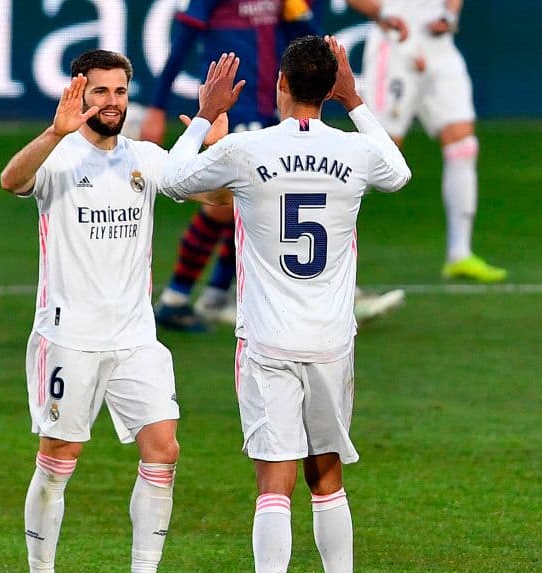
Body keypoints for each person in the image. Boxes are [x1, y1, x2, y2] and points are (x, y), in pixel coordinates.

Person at [160, 38, 411, 573]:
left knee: (274, 484)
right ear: (329, 89)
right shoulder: (355, 153)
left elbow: (171, 181)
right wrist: (355, 101)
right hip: (330, 341)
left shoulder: (247, 151)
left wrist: (205, 114)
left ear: (278, 85)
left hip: (267, 341)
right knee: (327, 477)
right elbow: (399, 171)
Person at [0, 49, 223, 573]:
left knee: (164, 449)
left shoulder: (144, 158)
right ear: (78, 93)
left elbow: (218, 201)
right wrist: (54, 131)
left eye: (120, 91)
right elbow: (11, 181)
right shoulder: (57, 156)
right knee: (59, 458)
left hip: (135, 337)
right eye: (99, 91)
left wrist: (216, 144)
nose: (111, 102)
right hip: (69, 337)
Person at [143, 0, 403, 331]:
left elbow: (310, 50)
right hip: (235, 106)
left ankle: (213, 294)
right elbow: (181, 43)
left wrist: (299, 12)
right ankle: (180, 297)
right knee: (228, 204)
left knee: (255, 198)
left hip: (270, 107)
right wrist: (157, 107)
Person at [349, 0, 507, 282]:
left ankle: (459, 255)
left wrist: (449, 15)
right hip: (396, 43)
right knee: (380, 154)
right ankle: (313, 229)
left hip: (438, 46)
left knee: (463, 143)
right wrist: (382, 13)